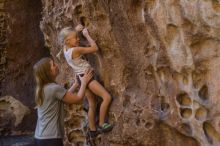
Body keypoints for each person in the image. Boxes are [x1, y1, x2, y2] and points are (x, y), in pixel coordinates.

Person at [58, 24, 113, 137]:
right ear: (68, 40)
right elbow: (94, 48)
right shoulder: (76, 50)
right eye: (76, 38)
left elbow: (70, 39)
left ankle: (92, 130)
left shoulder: (65, 49)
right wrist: (87, 35)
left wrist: (75, 32)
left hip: (80, 77)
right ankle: (102, 124)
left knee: (92, 104)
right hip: (87, 78)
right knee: (107, 97)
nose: (78, 39)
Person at [33, 57, 93, 146]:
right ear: (48, 72)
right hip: (51, 139)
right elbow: (78, 99)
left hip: (40, 138)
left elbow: (64, 97)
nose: (56, 65)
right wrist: (84, 82)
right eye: (53, 65)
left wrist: (75, 85)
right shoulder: (54, 88)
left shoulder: (43, 88)